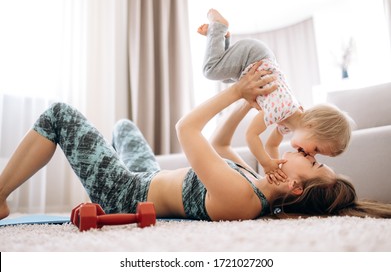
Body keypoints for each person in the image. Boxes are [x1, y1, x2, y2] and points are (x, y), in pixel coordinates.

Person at [0, 63, 390, 221]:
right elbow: (221, 144)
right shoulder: (252, 184)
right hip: (147, 175)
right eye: (318, 154)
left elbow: (187, 129)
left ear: (295, 185)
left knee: (59, 115)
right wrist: (256, 104)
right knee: (122, 126)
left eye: (317, 162)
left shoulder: (240, 198)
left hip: (123, 192)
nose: (310, 154)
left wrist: (237, 91)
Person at [198, 9, 353, 184]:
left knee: (225, 76)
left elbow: (272, 145)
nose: (311, 155)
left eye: (316, 155)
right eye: (316, 149)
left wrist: (277, 169)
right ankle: (218, 26)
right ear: (312, 125)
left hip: (252, 63)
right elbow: (251, 135)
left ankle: (223, 38)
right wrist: (266, 164)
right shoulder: (283, 109)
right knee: (210, 70)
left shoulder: (287, 125)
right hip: (254, 57)